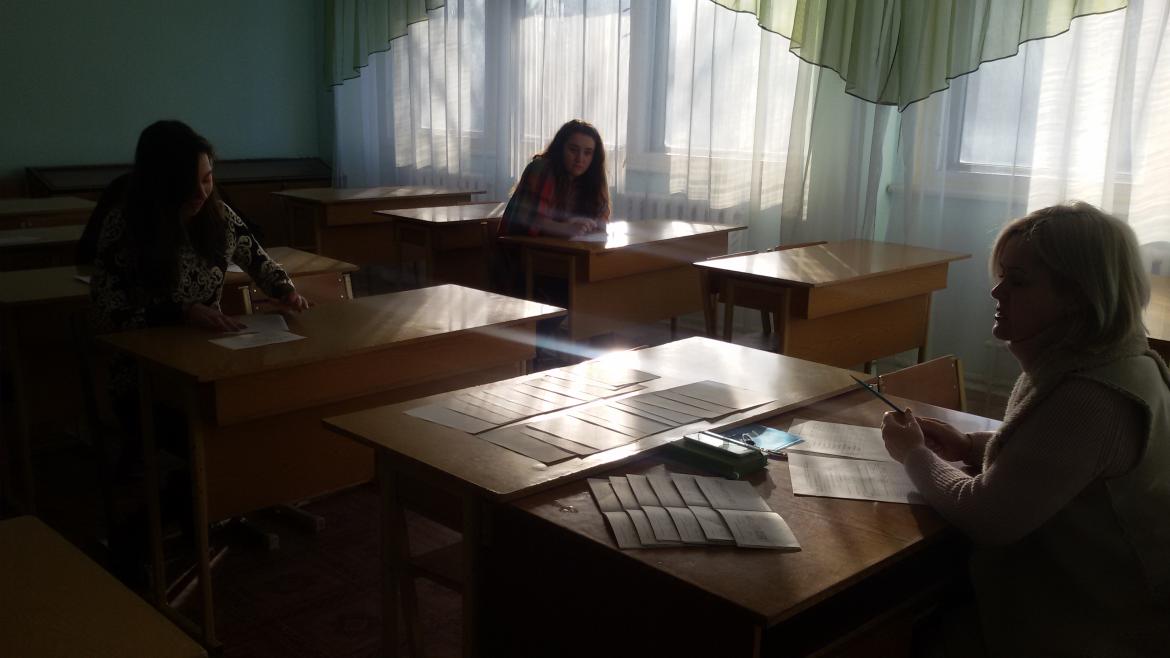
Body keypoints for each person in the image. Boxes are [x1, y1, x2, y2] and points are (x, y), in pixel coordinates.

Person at [880, 202, 1170, 656]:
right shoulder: (1110, 361)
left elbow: (988, 517)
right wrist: (971, 445)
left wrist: (913, 454)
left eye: (1017, 281)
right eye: (1001, 276)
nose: (997, 291)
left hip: (1095, 630)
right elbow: (1060, 465)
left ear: (1078, 295)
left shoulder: (1090, 398)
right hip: (1085, 604)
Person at [90, 120, 308, 583]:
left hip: (207, 364)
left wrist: (285, 291)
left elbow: (258, 258)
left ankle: (201, 510)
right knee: (209, 443)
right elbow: (108, 314)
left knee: (255, 422)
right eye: (187, 185)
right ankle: (138, 538)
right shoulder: (125, 226)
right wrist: (181, 311)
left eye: (207, 179)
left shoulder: (218, 216)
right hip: (143, 378)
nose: (200, 193)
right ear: (158, 183)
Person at [497, 118, 611, 240]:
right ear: (560, 148)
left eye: (587, 153)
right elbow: (529, 222)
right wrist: (567, 228)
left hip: (562, 249)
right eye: (573, 150)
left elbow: (601, 225)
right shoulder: (542, 168)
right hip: (519, 248)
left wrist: (586, 225)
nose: (580, 159)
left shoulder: (592, 179)